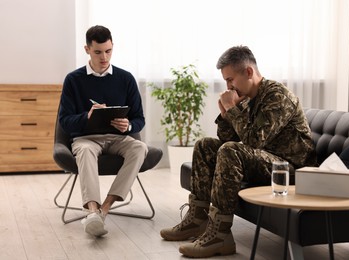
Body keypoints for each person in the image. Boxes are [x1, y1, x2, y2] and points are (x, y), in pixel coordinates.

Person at [160, 45, 317, 258]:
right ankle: (197, 221)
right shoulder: (248, 99)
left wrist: (233, 110)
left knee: (231, 151)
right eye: (226, 81)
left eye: (230, 79)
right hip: (265, 160)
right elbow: (227, 140)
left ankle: (220, 236)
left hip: (289, 169)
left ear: (249, 72)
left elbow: (253, 141)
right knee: (205, 146)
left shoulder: (277, 96)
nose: (228, 86)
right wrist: (226, 114)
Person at [59, 25, 148, 237]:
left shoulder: (126, 79)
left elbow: (139, 119)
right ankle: (92, 211)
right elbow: (65, 121)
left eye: (108, 51)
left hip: (118, 139)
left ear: (112, 47)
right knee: (85, 151)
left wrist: (128, 126)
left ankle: (103, 210)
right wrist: (87, 116)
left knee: (139, 148)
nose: (104, 57)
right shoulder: (73, 80)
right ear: (87, 49)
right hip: (86, 139)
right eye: (98, 52)